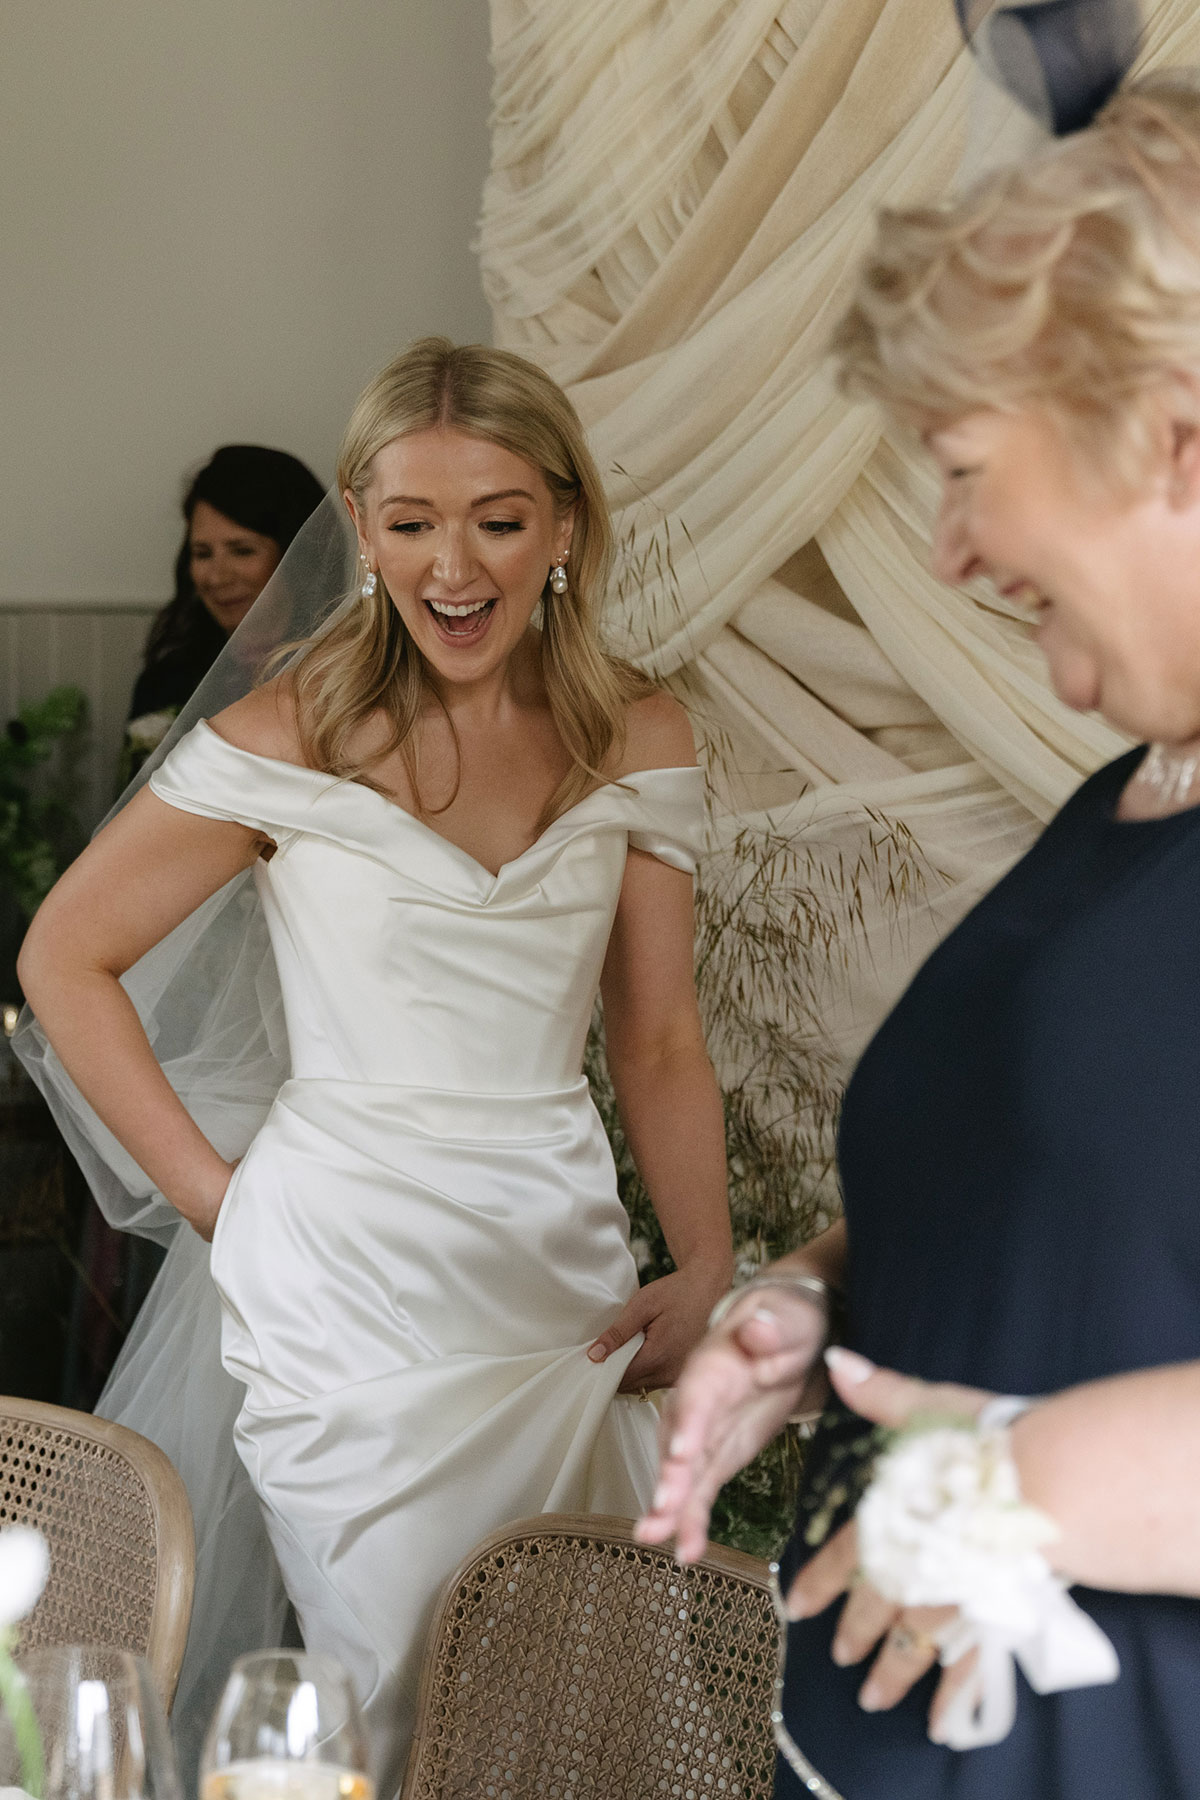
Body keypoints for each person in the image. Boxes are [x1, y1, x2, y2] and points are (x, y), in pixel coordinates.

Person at [17, 338, 733, 1796]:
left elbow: (657, 1038)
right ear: (361, 520)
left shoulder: (638, 737)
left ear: (566, 525)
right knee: (402, 1686)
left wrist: (709, 1261)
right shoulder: (287, 735)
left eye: (497, 519)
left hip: (560, 1288)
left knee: (573, 1686)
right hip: (338, 1291)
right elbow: (61, 959)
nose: (452, 566)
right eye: (409, 522)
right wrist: (228, 1203)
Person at [639, 76, 1200, 1800]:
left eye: (961, 471)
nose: (951, 550)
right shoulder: (1124, 800)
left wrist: (1017, 1488)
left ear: (1173, 433)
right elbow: (1079, 1203)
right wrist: (817, 1315)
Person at [121, 445, 325, 780]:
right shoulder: (165, 681)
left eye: (242, 551)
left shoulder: (343, 676)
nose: (216, 577)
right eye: (202, 553)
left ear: (297, 559)